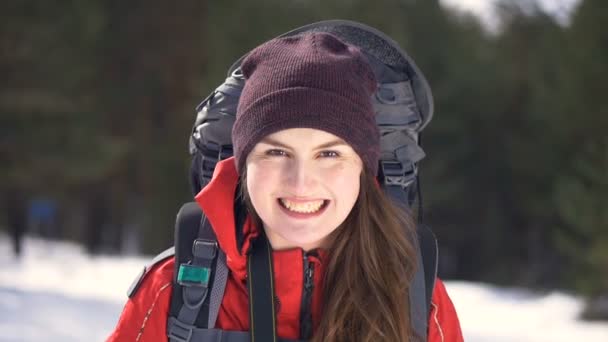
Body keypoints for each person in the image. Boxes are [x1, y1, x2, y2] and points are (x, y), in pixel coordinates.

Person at [109, 32, 463, 341]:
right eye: (276, 151)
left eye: (329, 153)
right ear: (242, 164)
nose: (301, 182)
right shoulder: (174, 287)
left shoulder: (416, 299)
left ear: (363, 170)